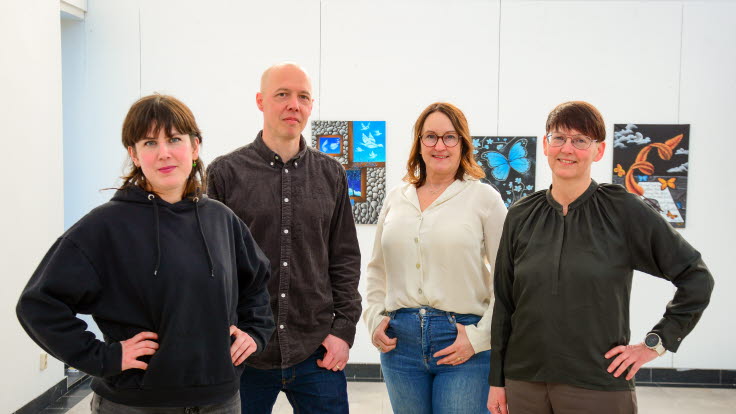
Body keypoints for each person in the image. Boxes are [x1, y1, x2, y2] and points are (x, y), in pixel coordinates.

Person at [16, 94, 274, 413]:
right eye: (149, 143)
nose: (164, 153)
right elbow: (39, 304)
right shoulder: (104, 226)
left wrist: (255, 332)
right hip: (136, 404)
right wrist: (103, 357)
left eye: (174, 139)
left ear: (194, 148)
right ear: (134, 154)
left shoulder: (221, 219)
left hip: (219, 401)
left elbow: (257, 286)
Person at [487, 101, 715, 414]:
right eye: (559, 138)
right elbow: (505, 303)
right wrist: (497, 381)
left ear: (598, 150)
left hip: (597, 385)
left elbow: (696, 277)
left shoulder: (623, 210)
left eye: (580, 140)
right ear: (545, 144)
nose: (567, 148)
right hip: (525, 384)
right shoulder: (521, 214)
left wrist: (656, 343)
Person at [206, 63, 361, 414]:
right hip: (244, 352)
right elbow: (210, 266)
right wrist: (225, 330)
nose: (294, 104)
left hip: (316, 350)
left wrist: (343, 330)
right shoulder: (224, 173)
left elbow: (345, 259)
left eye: (303, 96)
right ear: (261, 101)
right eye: (282, 95)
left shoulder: (331, 174)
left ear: (310, 106)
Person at [364, 102, 507, 413]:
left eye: (449, 137)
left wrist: (480, 337)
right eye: (430, 136)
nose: (439, 145)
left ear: (463, 143)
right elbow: (377, 269)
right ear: (419, 143)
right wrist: (374, 318)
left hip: (462, 341)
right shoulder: (396, 198)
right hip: (400, 344)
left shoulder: (484, 199)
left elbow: (507, 279)